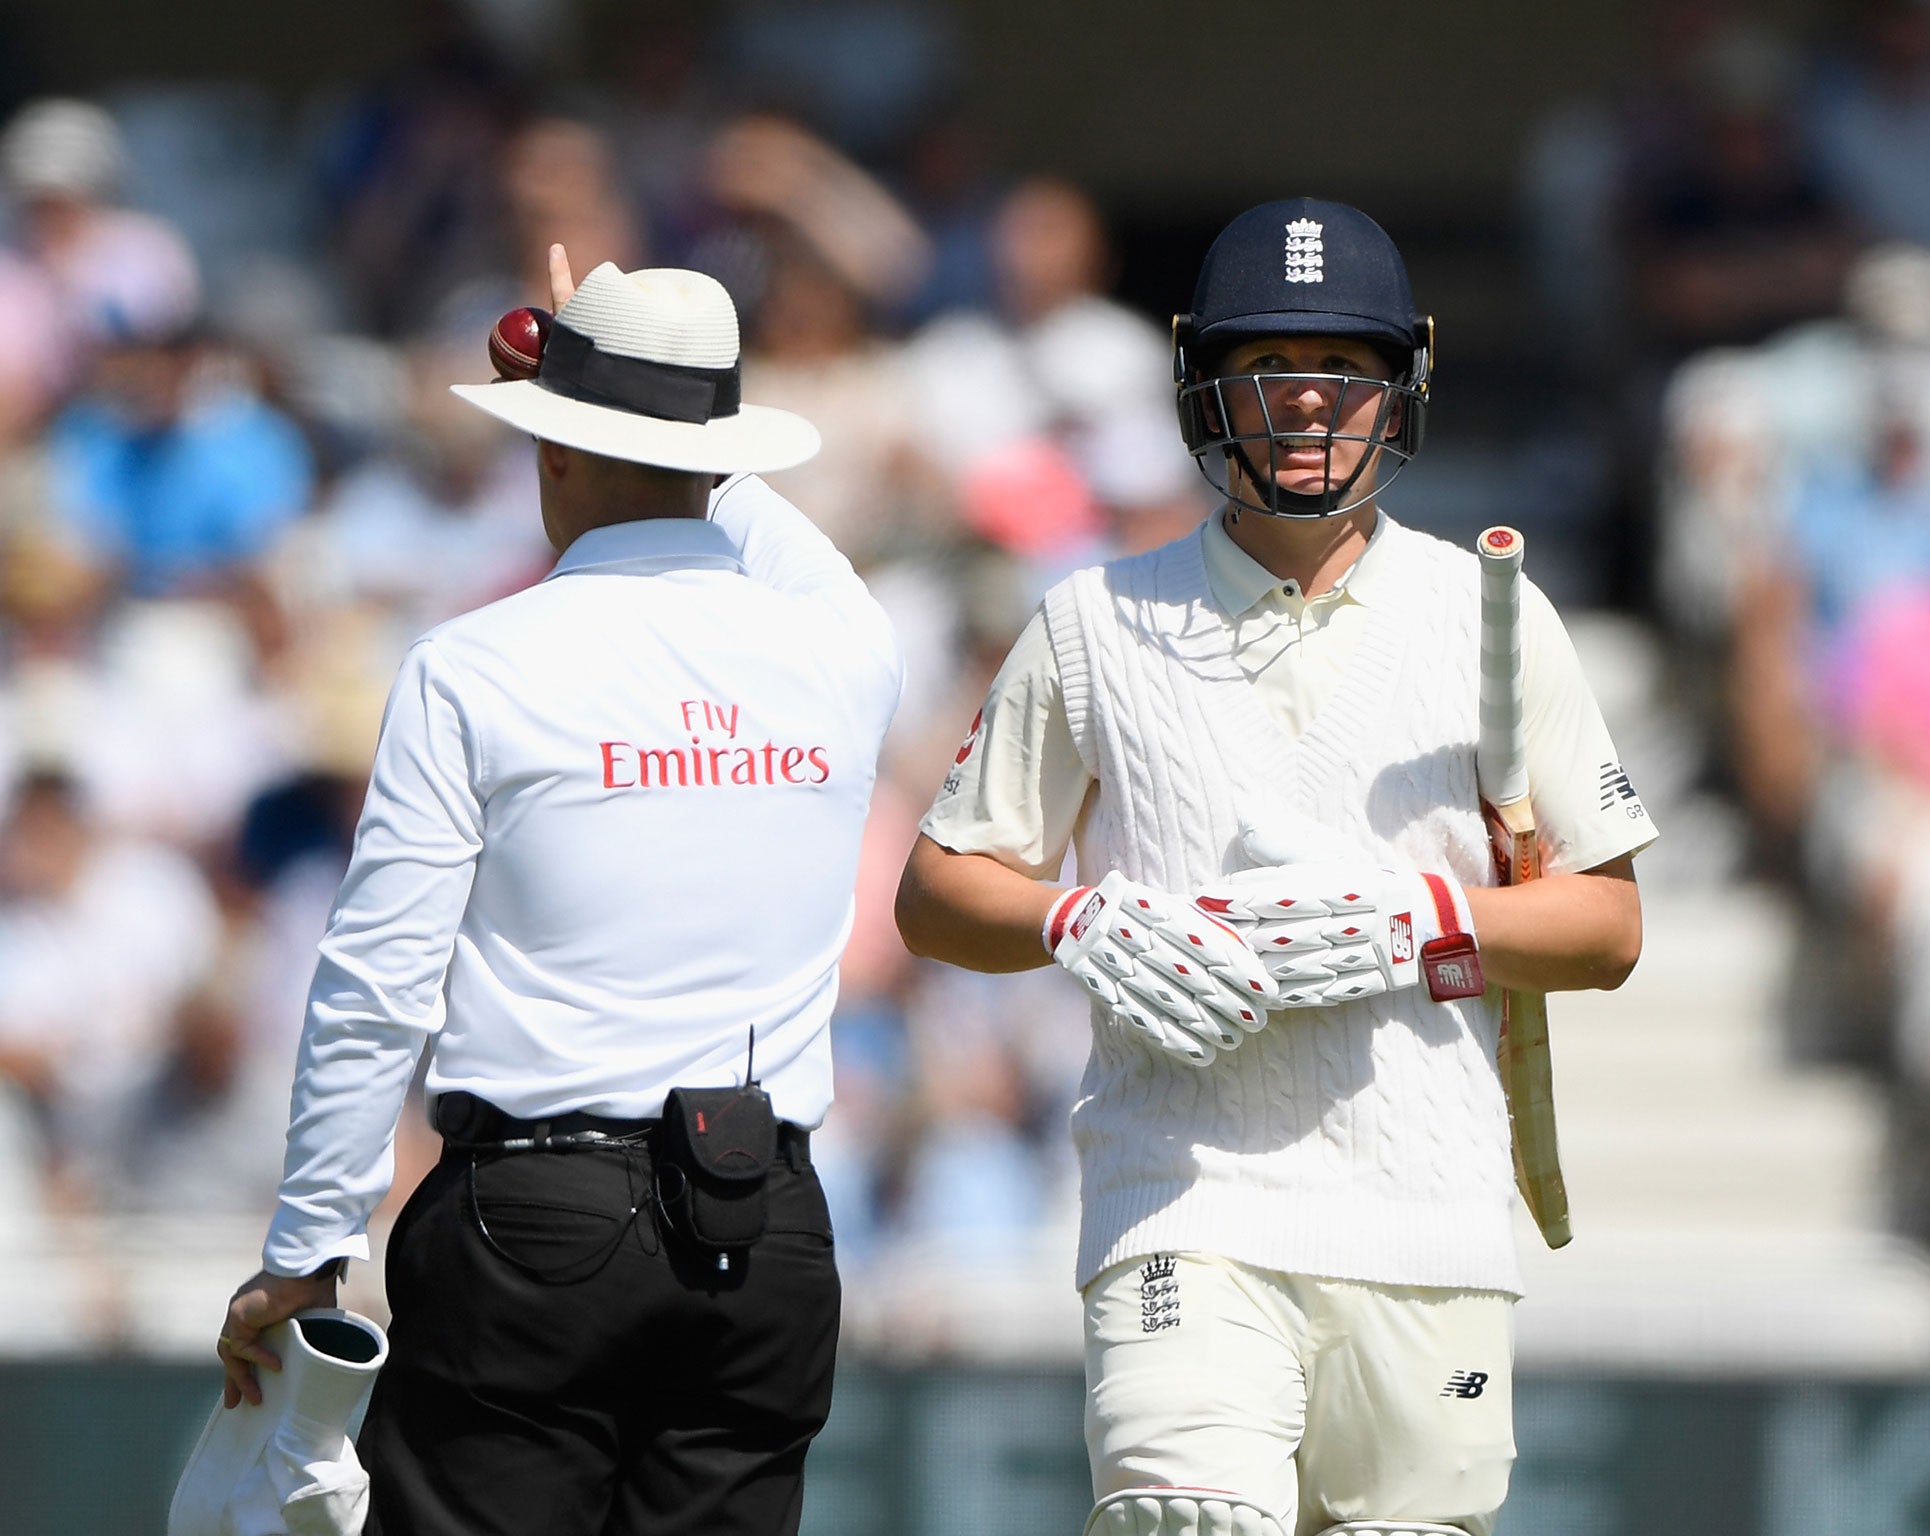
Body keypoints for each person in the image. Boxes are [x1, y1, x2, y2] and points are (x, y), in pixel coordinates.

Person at [895, 199, 1657, 1536]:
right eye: (1266, 371)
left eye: (1343, 373)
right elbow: (939, 890)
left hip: (1430, 1215)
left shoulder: (1493, 617)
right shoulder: (1092, 622)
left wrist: (1425, 923)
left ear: (1399, 388)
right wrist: (1075, 918)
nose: (1306, 407)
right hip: (1184, 1196)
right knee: (1185, 1521)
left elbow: (1604, 926)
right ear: (1203, 385)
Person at [213, 245, 902, 1536]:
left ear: (552, 451)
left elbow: (378, 981)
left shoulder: (477, 664)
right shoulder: (845, 651)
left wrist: (308, 1251)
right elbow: (776, 535)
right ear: (719, 454)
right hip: (767, 1232)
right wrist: (648, 396)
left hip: (533, 1231)